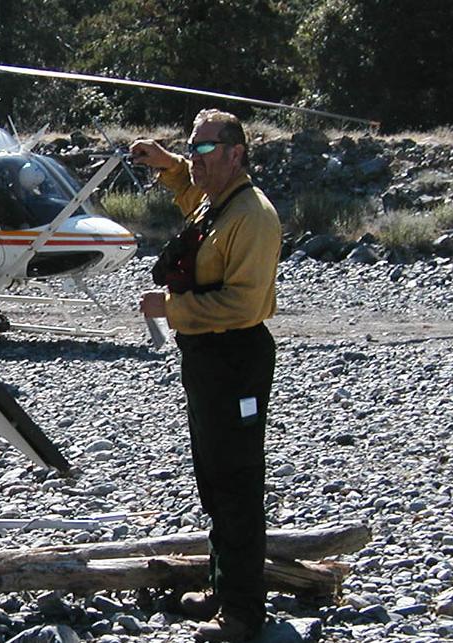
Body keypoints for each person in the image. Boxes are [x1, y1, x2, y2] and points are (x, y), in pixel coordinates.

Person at [131, 109, 281, 643]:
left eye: (205, 149)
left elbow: (244, 304)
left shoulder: (253, 216)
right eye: (192, 147)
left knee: (237, 482)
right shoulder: (216, 203)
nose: (195, 158)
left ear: (236, 153)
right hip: (205, 360)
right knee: (213, 477)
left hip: (235, 358)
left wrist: (171, 309)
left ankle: (242, 614)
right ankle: (222, 588)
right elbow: (193, 197)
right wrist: (167, 163)